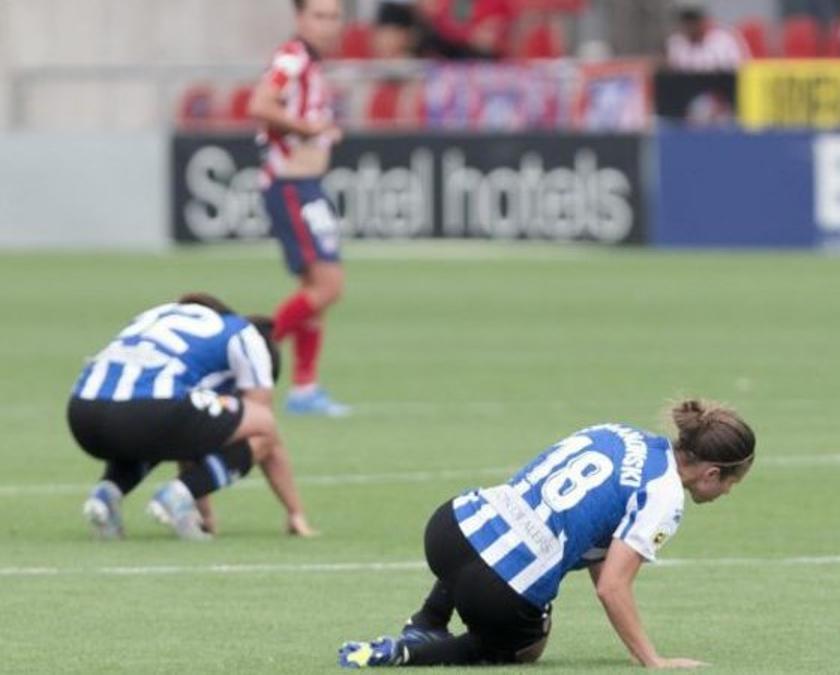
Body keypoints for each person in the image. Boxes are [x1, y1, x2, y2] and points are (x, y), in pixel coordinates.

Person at [337, 399, 756, 669]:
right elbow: (612, 587)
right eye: (731, 485)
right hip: (497, 589)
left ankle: (427, 620)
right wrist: (652, 659)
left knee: (497, 539)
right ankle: (406, 653)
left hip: (450, 527)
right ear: (711, 472)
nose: (727, 494)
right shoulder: (665, 495)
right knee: (522, 648)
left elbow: (596, 542)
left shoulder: (617, 432)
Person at [67, 294, 317, 541]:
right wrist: (296, 512)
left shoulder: (164, 315)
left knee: (161, 426)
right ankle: (177, 497)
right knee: (261, 423)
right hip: (151, 411)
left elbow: (192, 437)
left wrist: (203, 515)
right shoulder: (244, 335)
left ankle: (107, 494)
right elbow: (266, 429)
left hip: (82, 414)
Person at [248, 0, 351, 417]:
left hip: (306, 182)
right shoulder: (292, 57)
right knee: (328, 286)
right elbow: (261, 104)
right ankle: (248, 354)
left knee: (317, 289)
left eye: (335, 17)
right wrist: (310, 128)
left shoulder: (310, 63)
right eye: (319, 16)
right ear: (300, 19)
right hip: (290, 183)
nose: (328, 25)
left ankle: (305, 388)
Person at [666, 5, 748, 72]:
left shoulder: (724, 40)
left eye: (694, 20)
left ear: (704, 20)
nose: (690, 25)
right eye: (686, 20)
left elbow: (740, 71)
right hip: (687, 89)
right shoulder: (675, 43)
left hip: (721, 88)